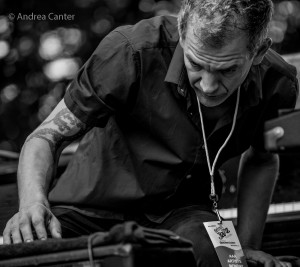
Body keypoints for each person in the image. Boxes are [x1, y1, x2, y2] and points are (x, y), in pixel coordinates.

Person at [3, 0, 299, 266]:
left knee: (229, 261)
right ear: (183, 35)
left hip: (186, 214)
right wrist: (31, 204)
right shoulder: (129, 50)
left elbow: (261, 159)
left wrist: (247, 247)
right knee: (34, 255)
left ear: (259, 52)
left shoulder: (278, 82)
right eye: (196, 63)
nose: (208, 86)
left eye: (227, 70)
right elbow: (45, 137)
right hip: (88, 209)